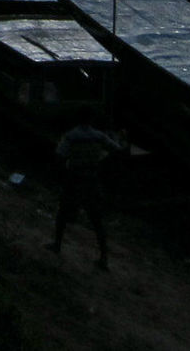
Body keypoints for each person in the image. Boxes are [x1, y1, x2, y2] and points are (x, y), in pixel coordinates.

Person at [50, 114, 119, 269]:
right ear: (92, 120)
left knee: (63, 213)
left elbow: (60, 156)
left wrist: (62, 172)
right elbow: (116, 150)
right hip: (92, 179)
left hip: (75, 178)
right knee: (97, 220)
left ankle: (57, 244)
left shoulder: (72, 135)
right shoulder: (99, 136)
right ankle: (103, 258)